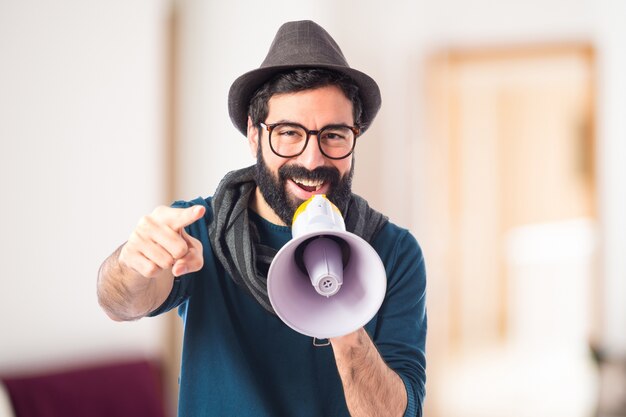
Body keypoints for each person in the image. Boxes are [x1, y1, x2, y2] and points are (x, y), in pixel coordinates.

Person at [97, 20, 426, 417]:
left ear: (354, 137)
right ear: (254, 134)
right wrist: (132, 264)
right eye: (289, 132)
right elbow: (119, 304)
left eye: (334, 135)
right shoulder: (199, 227)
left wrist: (342, 313)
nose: (312, 159)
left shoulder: (394, 251)